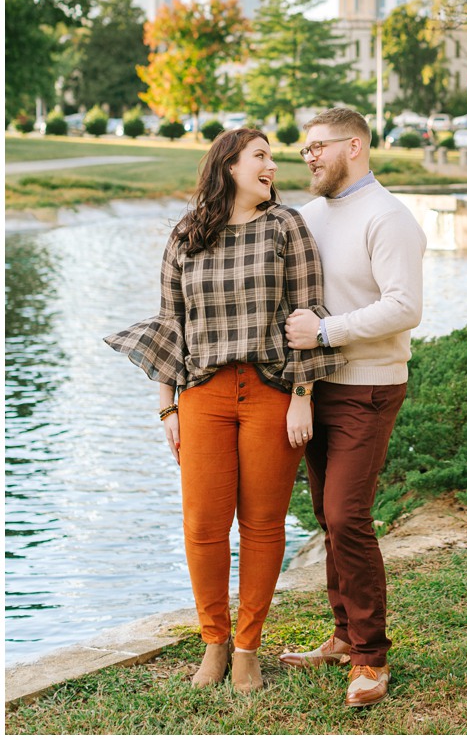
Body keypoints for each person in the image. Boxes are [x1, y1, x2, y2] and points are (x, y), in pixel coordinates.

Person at [106, 128, 342, 693]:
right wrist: (168, 409)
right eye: (261, 156)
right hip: (202, 396)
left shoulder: (287, 227)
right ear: (228, 165)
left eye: (272, 158)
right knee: (203, 526)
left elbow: (307, 316)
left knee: (262, 526)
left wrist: (302, 399)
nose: (273, 166)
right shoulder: (187, 234)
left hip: (269, 392)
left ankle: (246, 649)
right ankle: (213, 643)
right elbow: (171, 325)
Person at [275, 107, 426, 709]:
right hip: (320, 385)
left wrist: (327, 331)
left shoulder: (388, 218)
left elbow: (405, 306)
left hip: (369, 384)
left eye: (319, 145)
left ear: (355, 146)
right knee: (325, 511)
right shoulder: (312, 215)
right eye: (304, 146)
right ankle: (342, 636)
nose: (307, 155)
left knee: (346, 513)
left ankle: (370, 657)